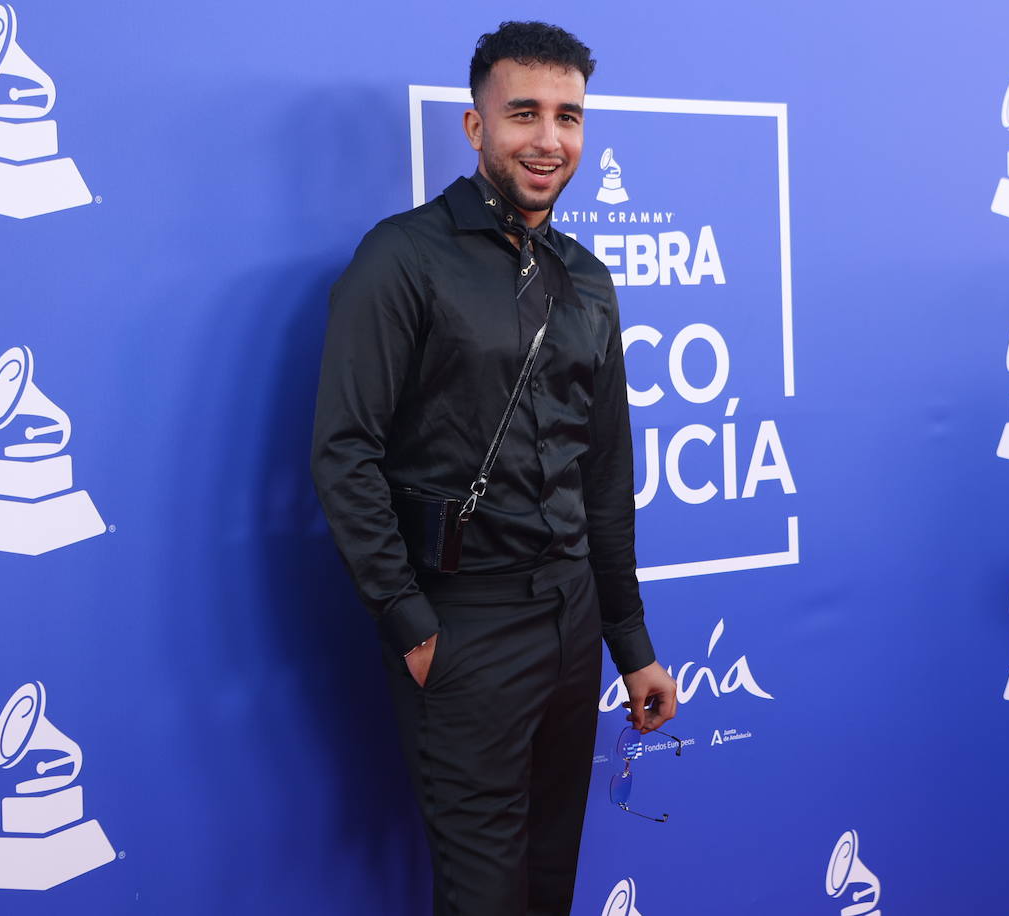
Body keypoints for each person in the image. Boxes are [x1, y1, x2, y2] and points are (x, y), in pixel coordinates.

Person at [310, 21, 677, 916]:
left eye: (569, 117)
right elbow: (342, 451)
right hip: (462, 626)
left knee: (550, 886)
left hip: (571, 623)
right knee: (484, 897)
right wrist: (413, 626)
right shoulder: (402, 258)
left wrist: (629, 645)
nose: (550, 140)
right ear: (476, 129)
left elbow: (605, 474)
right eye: (524, 114)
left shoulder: (587, 281)